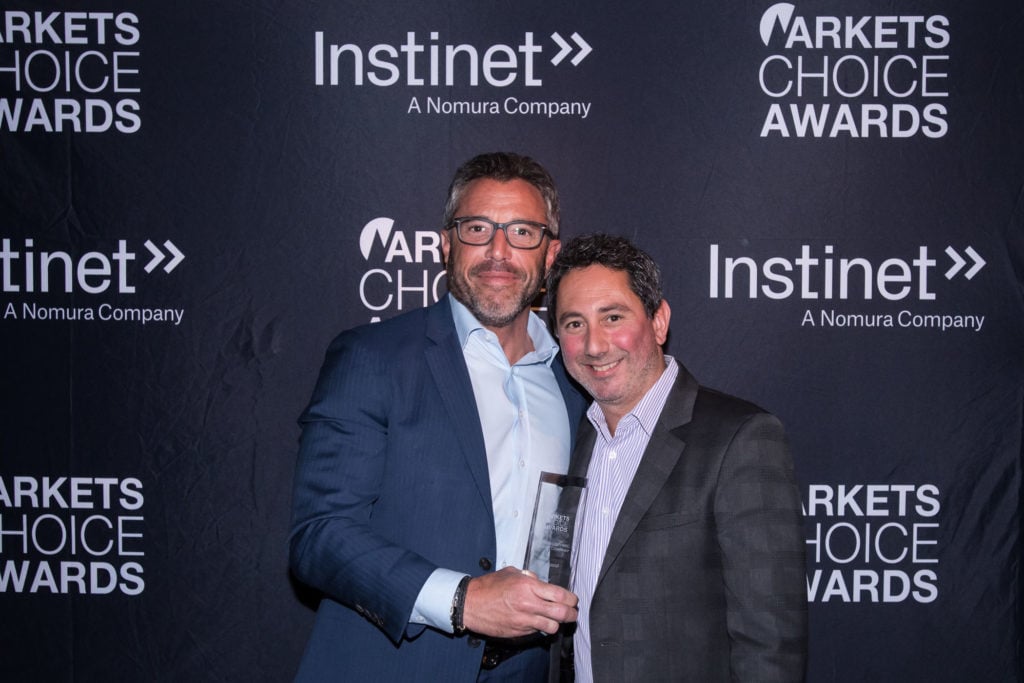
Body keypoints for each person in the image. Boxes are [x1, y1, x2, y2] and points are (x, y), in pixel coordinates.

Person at [289, 152, 589, 681]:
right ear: (447, 244)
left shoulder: (576, 381)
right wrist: (461, 600)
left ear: (551, 255)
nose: (499, 252)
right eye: (478, 228)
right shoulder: (374, 358)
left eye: (522, 232)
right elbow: (320, 535)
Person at [545, 234, 808, 682]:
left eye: (613, 317)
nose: (594, 345)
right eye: (574, 324)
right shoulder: (573, 437)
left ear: (659, 321)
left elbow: (771, 644)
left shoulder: (741, 437)